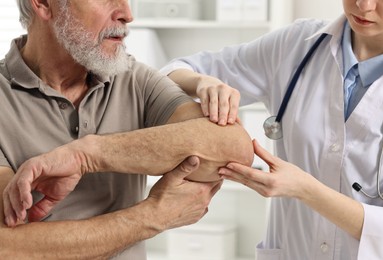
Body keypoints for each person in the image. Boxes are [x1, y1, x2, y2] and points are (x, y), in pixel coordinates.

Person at [0, 0, 254, 259]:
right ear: (43, 3)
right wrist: (153, 215)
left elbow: (234, 148)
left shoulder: (134, 80)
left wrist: (87, 155)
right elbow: (8, 247)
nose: (127, 14)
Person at [158, 0, 383, 259]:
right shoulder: (296, 45)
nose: (364, 5)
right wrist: (202, 82)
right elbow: (169, 74)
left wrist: (304, 189)